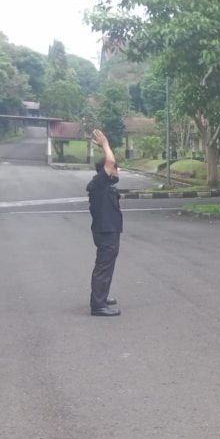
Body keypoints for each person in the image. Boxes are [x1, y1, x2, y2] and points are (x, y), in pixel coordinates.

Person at [87, 129, 122, 317]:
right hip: (106, 232)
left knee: (107, 266)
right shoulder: (100, 183)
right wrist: (105, 144)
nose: (117, 171)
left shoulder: (103, 184)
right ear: (107, 171)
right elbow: (109, 161)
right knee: (103, 267)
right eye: (115, 168)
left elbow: (109, 163)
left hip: (109, 231)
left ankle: (102, 296)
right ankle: (98, 305)